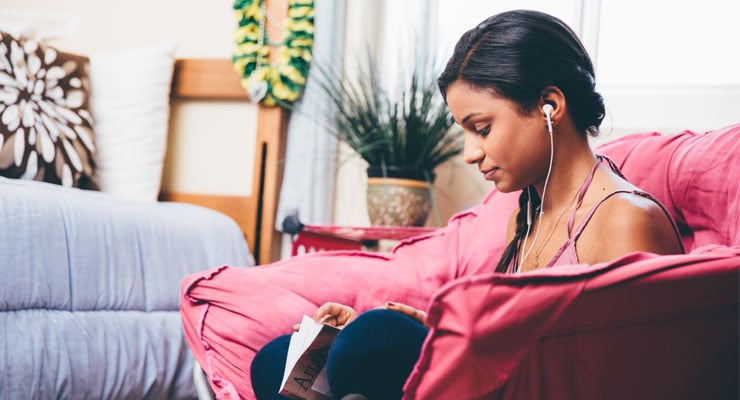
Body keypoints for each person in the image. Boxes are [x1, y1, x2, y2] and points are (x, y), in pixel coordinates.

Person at [249, 9, 684, 400]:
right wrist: (436, 333)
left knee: (373, 338)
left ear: (550, 105)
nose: (469, 153)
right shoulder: (527, 211)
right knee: (277, 360)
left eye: (481, 127)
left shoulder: (625, 222)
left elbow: (626, 380)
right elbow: (511, 340)